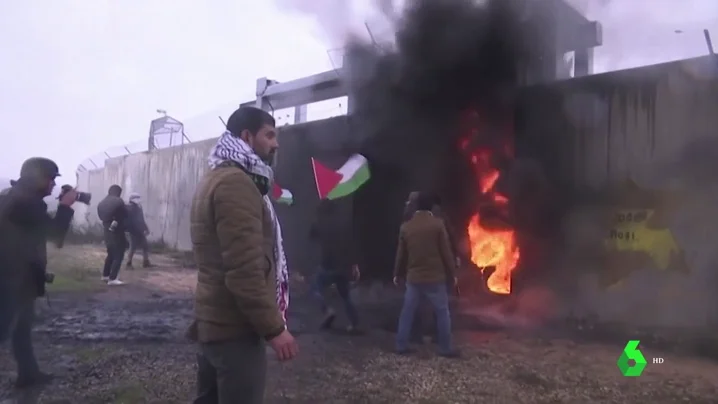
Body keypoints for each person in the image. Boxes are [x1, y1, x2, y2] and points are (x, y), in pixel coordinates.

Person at [188, 106, 297, 404]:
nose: (275, 144)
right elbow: (244, 270)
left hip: (216, 321)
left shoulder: (216, 177)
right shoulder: (237, 184)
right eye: (269, 135)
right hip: (234, 329)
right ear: (247, 137)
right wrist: (274, 329)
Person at [0, 157, 77, 388]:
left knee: (22, 327)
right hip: (12, 278)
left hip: (16, 276)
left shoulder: (13, 196)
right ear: (37, 178)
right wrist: (65, 207)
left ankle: (29, 375)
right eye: (51, 178)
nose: (53, 184)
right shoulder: (25, 202)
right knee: (4, 329)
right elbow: (55, 235)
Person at [393, 192, 460, 358]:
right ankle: (445, 348)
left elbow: (401, 254)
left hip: (414, 278)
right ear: (431, 207)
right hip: (435, 279)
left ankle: (401, 345)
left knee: (407, 312)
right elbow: (446, 252)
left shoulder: (406, 227)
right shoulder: (438, 225)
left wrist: (396, 273)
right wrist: (453, 273)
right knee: (442, 313)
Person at [309, 199, 361, 334]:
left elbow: (311, 236)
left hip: (328, 264)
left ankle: (327, 310)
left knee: (315, 288)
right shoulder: (343, 224)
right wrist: (354, 265)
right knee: (345, 295)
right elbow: (351, 244)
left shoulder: (320, 223)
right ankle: (354, 323)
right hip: (343, 266)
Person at [97, 184, 128, 285]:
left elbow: (101, 216)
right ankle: (113, 278)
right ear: (118, 192)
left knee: (110, 253)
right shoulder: (118, 201)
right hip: (117, 231)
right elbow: (124, 214)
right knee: (119, 254)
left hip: (106, 230)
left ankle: (105, 275)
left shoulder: (101, 203)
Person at [125, 192, 152, 269]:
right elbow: (129, 220)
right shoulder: (129, 208)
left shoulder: (139, 207)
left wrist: (145, 228)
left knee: (145, 246)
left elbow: (141, 219)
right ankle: (128, 263)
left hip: (139, 230)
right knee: (132, 247)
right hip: (132, 231)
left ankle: (146, 262)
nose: (138, 200)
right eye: (136, 198)